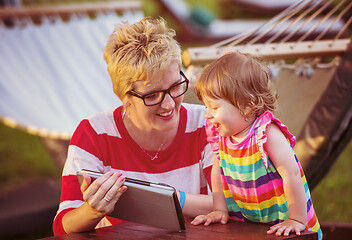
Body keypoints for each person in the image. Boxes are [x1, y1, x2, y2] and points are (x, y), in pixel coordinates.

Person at [52, 17, 214, 235]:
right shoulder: (94, 133)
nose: (169, 104)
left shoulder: (207, 123)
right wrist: (92, 211)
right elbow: (63, 227)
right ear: (124, 97)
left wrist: (170, 198)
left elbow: (237, 205)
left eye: (175, 86)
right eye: (152, 95)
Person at [191, 52, 322, 239]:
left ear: (247, 105)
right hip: (251, 224)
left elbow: (291, 174)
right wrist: (220, 209)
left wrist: (297, 220)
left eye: (215, 107)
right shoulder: (222, 136)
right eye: (206, 107)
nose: (208, 115)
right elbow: (218, 173)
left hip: (286, 223)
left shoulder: (267, 133)